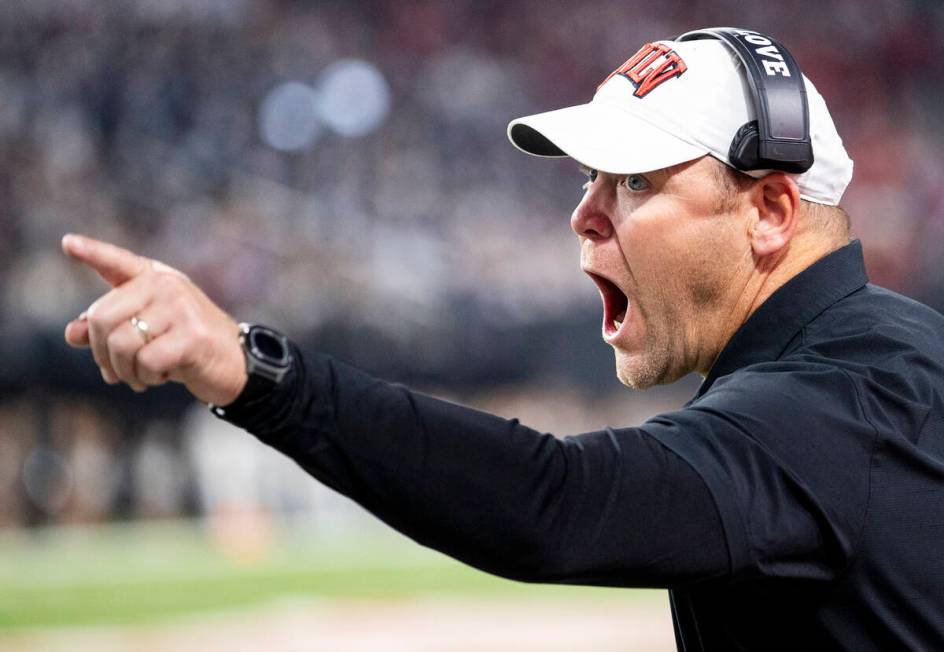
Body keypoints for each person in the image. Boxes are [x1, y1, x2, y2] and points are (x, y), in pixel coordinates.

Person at [61, 29, 944, 651]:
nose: (584, 213)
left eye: (635, 180)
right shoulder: (901, 352)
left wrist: (251, 371)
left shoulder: (820, 413)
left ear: (770, 211)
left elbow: (552, 504)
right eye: (591, 178)